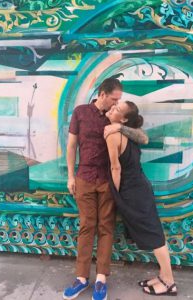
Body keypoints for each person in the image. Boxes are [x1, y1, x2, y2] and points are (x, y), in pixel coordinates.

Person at [63, 78, 148, 300]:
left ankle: (101, 279)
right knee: (86, 227)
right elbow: (71, 146)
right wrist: (70, 176)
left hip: (109, 181)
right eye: (114, 99)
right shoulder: (81, 112)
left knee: (106, 228)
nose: (116, 104)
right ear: (102, 94)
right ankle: (81, 278)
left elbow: (142, 137)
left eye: (119, 101)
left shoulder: (116, 118)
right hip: (84, 178)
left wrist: (120, 126)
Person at [105, 100, 177, 296]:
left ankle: (169, 282)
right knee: (154, 232)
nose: (112, 108)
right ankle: (163, 276)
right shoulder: (129, 131)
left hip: (132, 191)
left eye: (117, 109)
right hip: (140, 187)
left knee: (154, 235)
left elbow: (115, 168)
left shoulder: (113, 134)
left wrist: (117, 195)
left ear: (124, 119)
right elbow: (141, 137)